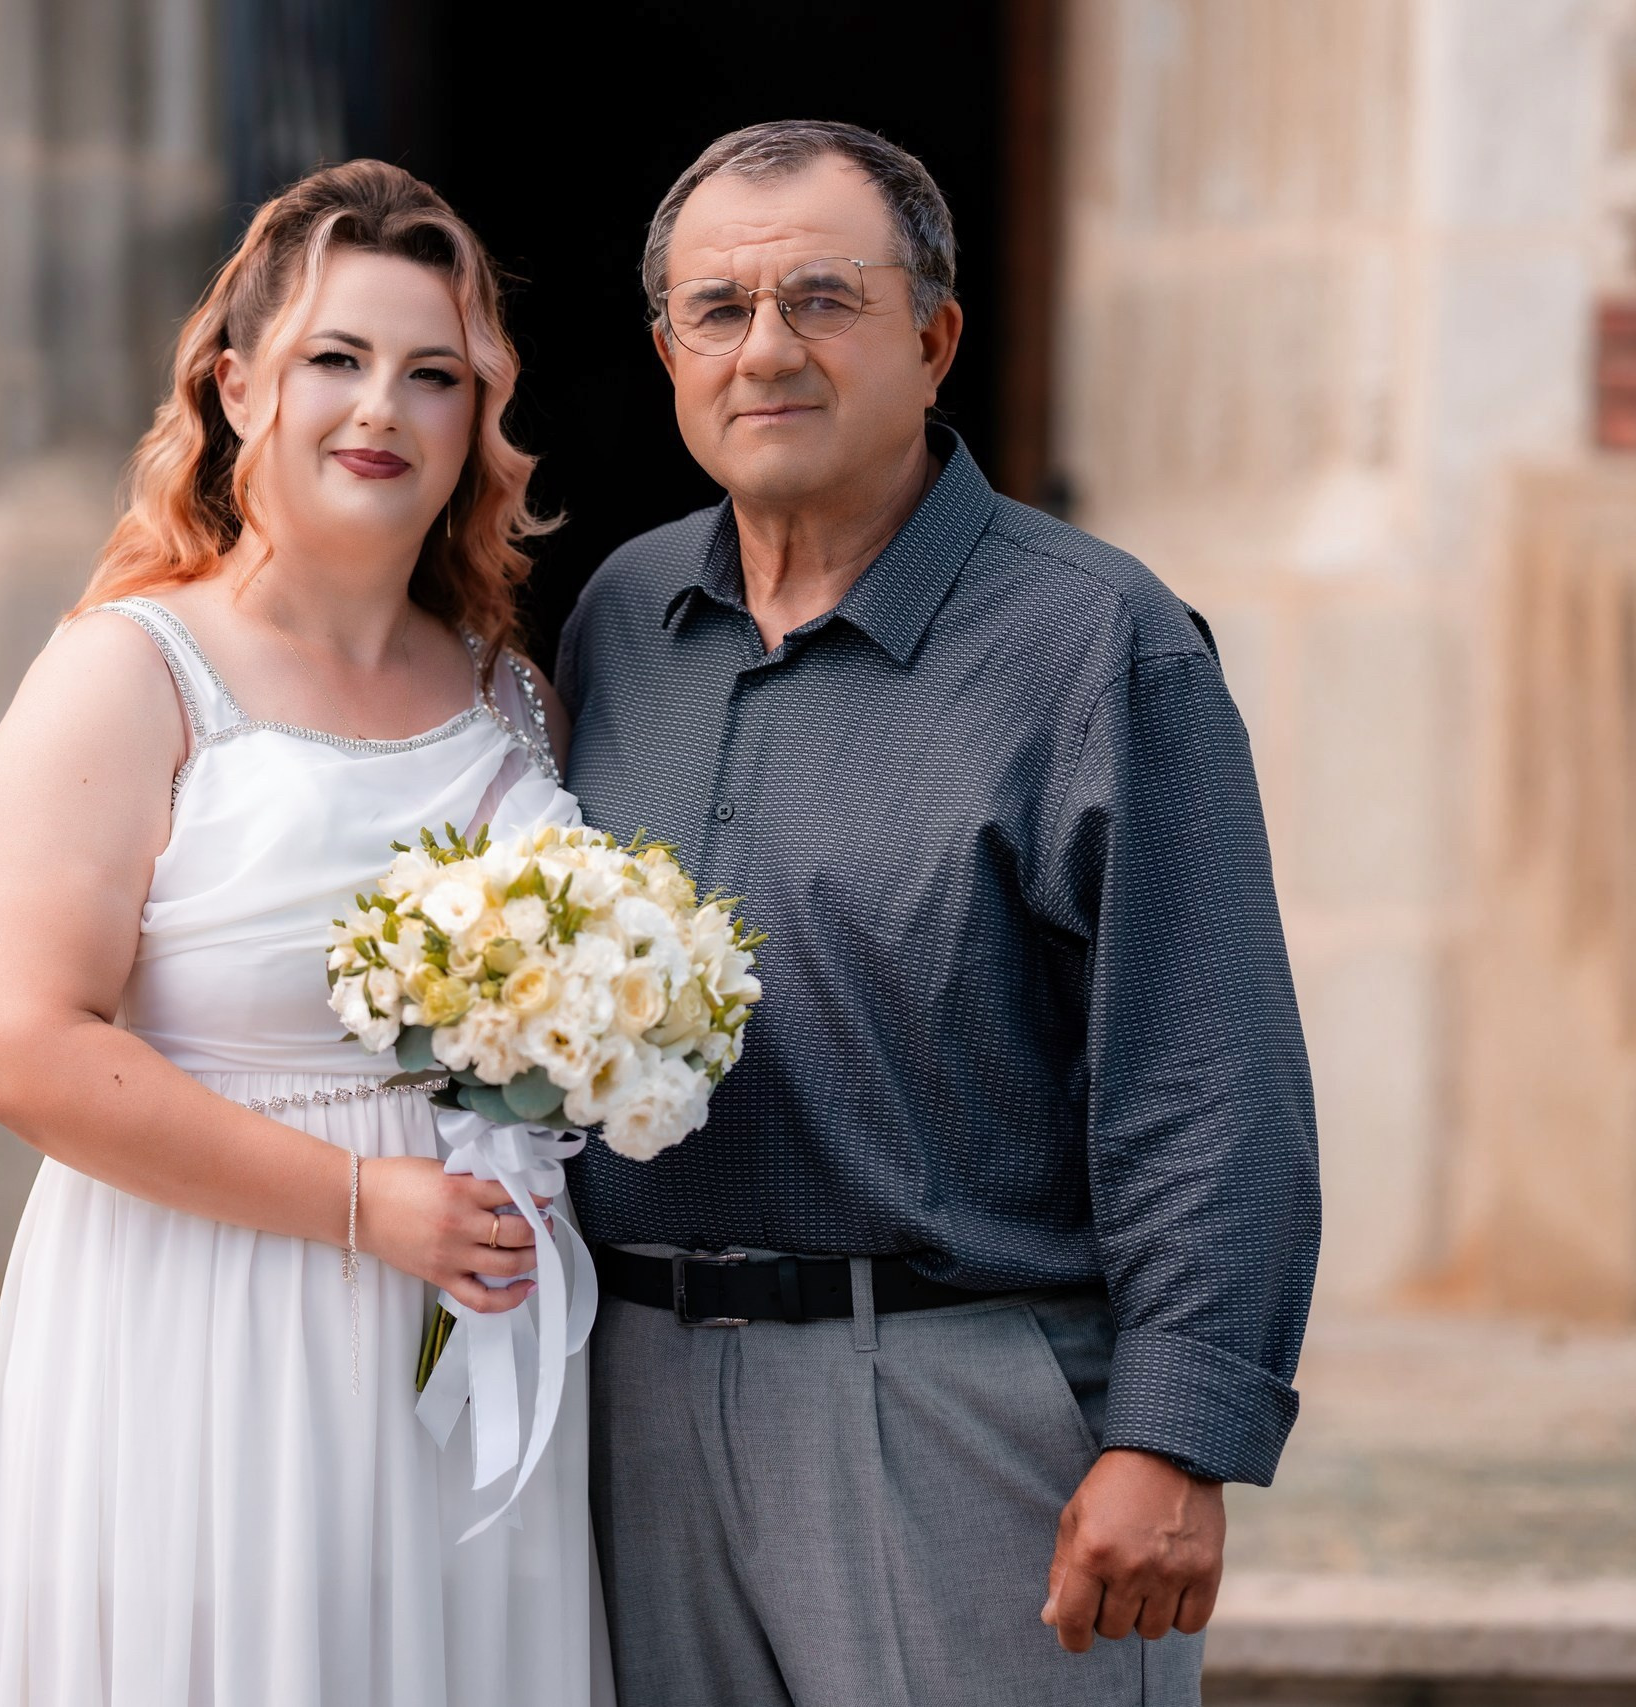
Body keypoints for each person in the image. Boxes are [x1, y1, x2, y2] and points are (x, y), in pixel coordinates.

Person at [559, 120, 1322, 1707]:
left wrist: (1178, 1437)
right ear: (667, 352)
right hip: (626, 1401)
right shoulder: (623, 621)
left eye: (824, 300)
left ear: (934, 335)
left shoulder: (1095, 641)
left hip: (955, 1406)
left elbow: (1209, 1074)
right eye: (720, 311)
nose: (766, 350)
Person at [0, 160, 610, 1707]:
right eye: (337, 358)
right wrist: (363, 1204)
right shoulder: (131, 674)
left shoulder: (519, 697)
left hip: (476, 1340)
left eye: (433, 374)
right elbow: (18, 1050)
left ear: (477, 419)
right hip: (206, 1330)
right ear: (240, 387)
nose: (382, 408)